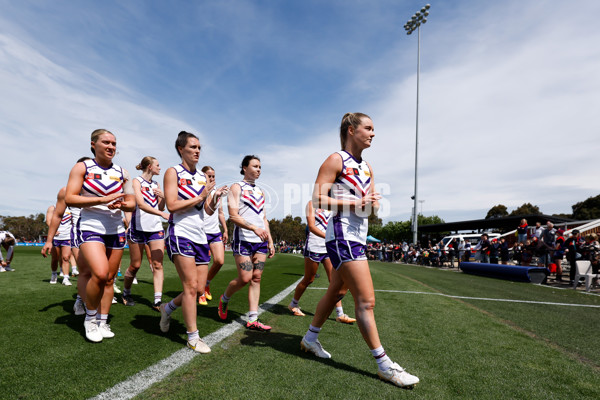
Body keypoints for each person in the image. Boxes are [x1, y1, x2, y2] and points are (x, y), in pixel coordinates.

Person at [300, 113, 419, 388]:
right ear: (351, 130)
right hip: (341, 235)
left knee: (336, 291)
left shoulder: (367, 167)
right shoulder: (335, 159)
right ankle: (384, 365)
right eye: (369, 128)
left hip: (358, 235)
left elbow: (370, 209)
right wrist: (357, 203)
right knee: (366, 301)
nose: (373, 134)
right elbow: (318, 198)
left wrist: (374, 204)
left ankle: (309, 339)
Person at [159, 131, 227, 354]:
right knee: (189, 287)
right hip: (181, 233)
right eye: (193, 147)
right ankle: (193, 337)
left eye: (199, 147)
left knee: (198, 289)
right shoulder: (173, 172)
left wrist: (214, 198)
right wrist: (201, 195)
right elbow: (171, 205)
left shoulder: (202, 177)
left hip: (200, 236)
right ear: (181, 149)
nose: (197, 151)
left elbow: (205, 211)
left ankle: (167, 309)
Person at [65, 129, 135, 342]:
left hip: (115, 229)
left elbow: (132, 202)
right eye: (106, 142)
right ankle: (90, 318)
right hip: (91, 227)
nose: (111, 147)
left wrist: (121, 203)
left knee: (110, 279)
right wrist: (102, 200)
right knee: (101, 273)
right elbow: (70, 198)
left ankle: (103, 321)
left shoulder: (123, 172)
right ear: (93, 144)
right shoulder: (82, 167)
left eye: (114, 143)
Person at [217, 155, 275, 332]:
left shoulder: (261, 192)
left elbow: (263, 218)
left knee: (256, 278)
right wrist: (253, 229)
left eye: (260, 167)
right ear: (244, 168)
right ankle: (224, 299)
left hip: (261, 242)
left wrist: (270, 241)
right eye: (255, 166)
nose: (259, 169)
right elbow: (233, 216)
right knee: (245, 278)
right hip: (243, 239)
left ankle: (253, 319)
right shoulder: (237, 187)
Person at [288, 200, 356, 323]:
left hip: (329, 247)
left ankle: (340, 314)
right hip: (314, 245)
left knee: (334, 281)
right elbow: (312, 226)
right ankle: (293, 304)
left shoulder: (334, 204)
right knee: (309, 279)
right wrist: (329, 236)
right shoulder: (311, 204)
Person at [122, 156, 169, 310]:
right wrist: (161, 214)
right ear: (149, 166)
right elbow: (141, 204)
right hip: (138, 228)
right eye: (158, 165)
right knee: (135, 265)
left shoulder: (156, 184)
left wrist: (163, 198)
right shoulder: (136, 182)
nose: (160, 168)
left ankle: (157, 301)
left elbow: (161, 207)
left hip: (155, 228)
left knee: (157, 265)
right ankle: (126, 292)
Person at [200, 166, 229, 304]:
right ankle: (200, 292)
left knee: (219, 261)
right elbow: (207, 208)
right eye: (209, 176)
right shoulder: (201, 190)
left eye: (213, 176)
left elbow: (220, 213)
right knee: (202, 263)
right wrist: (214, 194)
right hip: (201, 231)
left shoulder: (217, 193)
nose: (212, 178)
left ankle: (206, 283)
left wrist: (225, 229)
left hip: (215, 231)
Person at [42, 190, 73, 285]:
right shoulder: (53, 208)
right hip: (56, 237)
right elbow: (48, 221)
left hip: (67, 236)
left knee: (66, 257)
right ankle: (54, 274)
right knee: (55, 259)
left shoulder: (72, 208)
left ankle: (66, 278)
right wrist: (54, 230)